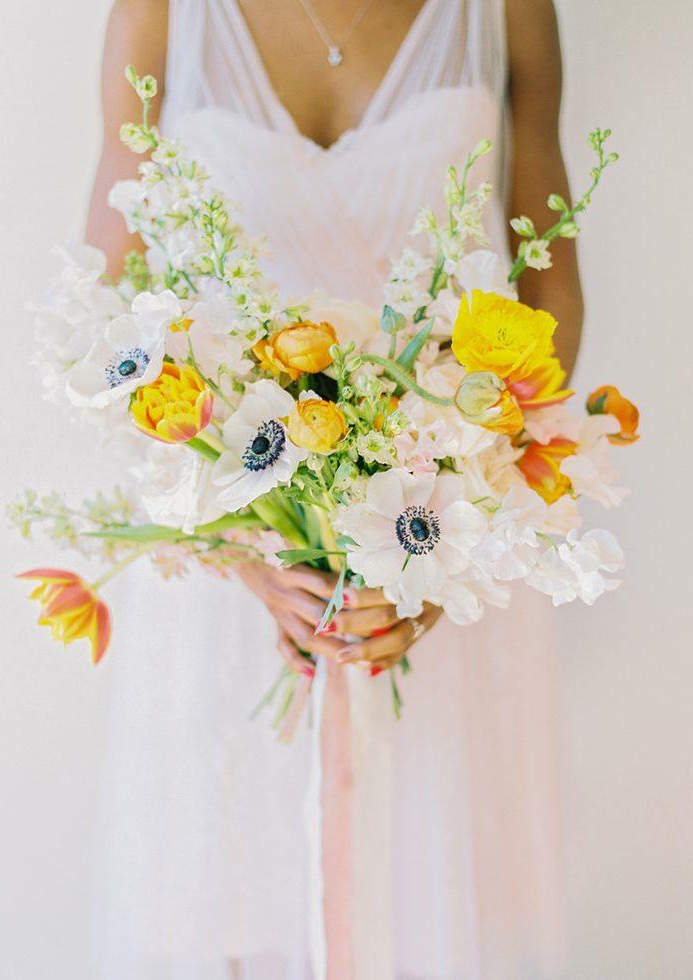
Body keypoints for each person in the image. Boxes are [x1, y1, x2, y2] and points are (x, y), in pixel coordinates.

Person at [87, 2, 582, 977]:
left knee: (422, 904)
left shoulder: (507, 9)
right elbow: (110, 310)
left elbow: (550, 288)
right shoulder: (159, 13)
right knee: (227, 912)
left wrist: (459, 528)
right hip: (231, 552)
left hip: (433, 542)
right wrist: (242, 544)